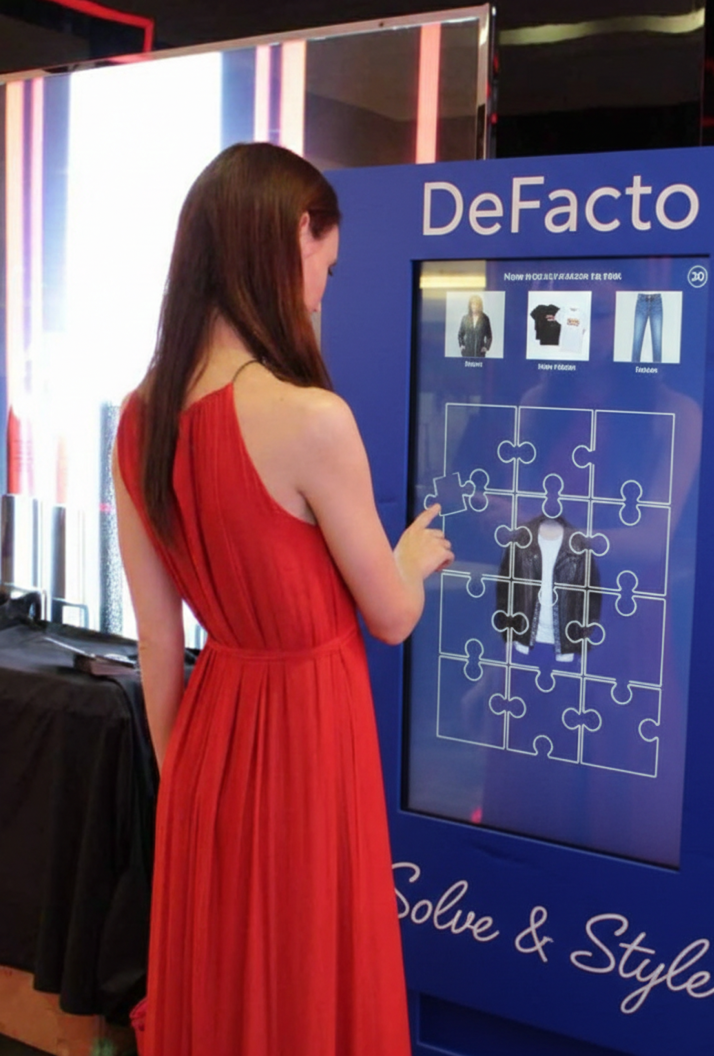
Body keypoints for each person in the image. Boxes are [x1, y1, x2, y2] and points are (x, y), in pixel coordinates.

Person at [112, 142, 452, 1056]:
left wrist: (185, 778)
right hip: (309, 741)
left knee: (228, 985)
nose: (319, 295)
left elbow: (156, 639)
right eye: (325, 268)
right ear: (298, 234)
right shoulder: (309, 418)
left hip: (206, 741)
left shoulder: (139, 420)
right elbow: (391, 616)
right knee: (307, 981)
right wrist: (410, 557)